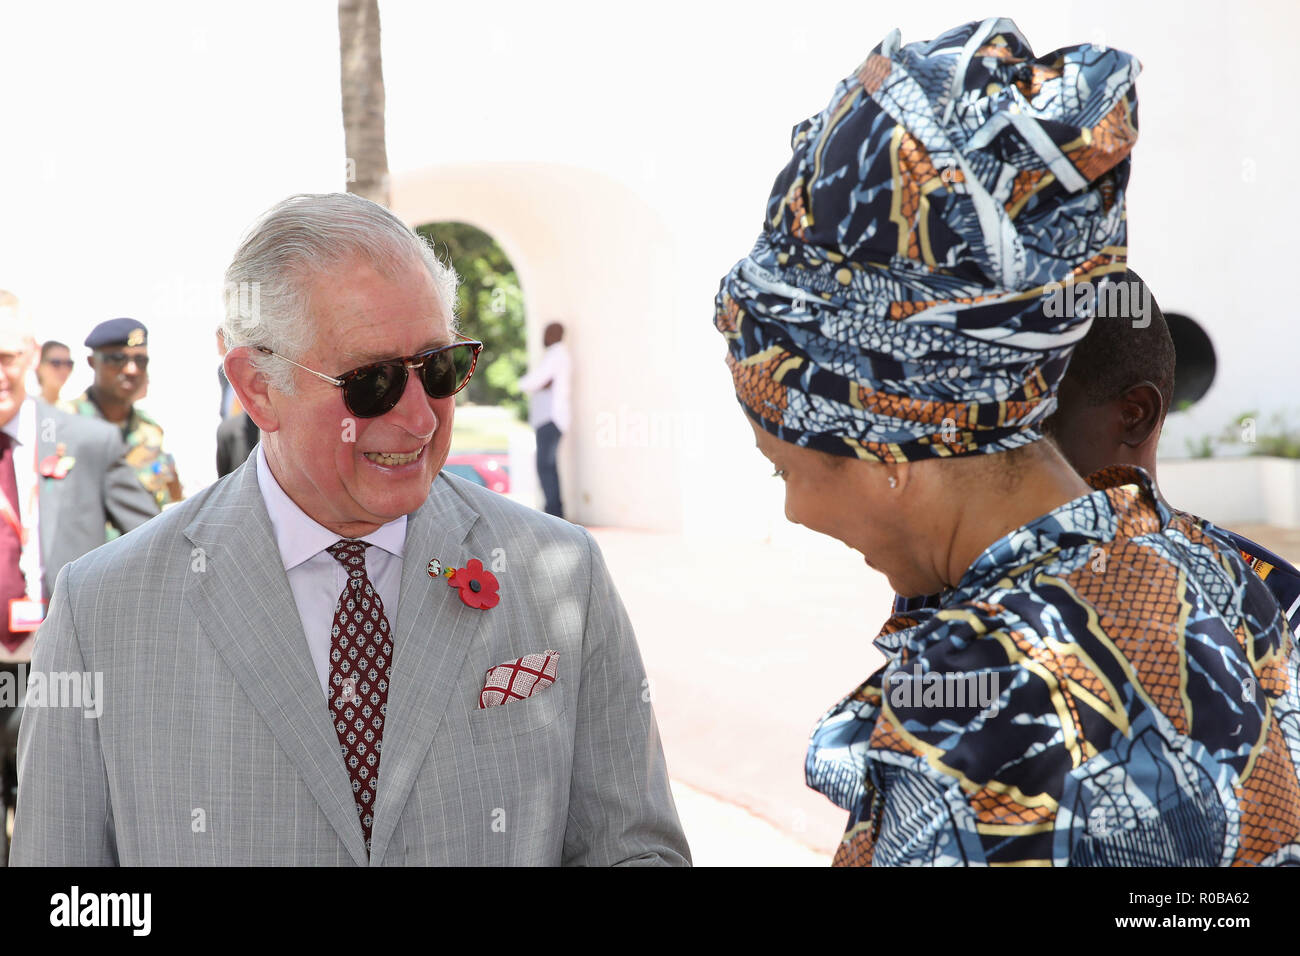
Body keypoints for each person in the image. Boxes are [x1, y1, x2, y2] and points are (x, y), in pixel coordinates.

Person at [715, 18, 1300, 866]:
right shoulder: (1235, 579)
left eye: (783, 470)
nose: (794, 513)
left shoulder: (980, 714)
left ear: (886, 452)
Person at [11, 192, 689, 866]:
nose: (420, 418)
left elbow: (633, 851)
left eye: (440, 368)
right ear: (258, 387)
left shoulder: (564, 572)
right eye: (373, 382)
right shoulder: (103, 612)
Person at [1041, 271, 1300, 633]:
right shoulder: (967, 587)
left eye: (1036, 416)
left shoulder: (1274, 605)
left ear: (1135, 415)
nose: (998, 445)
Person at [0, 291, 158, 863]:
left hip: (57, 669)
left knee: (57, 827)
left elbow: (154, 545)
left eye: (6, 357)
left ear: (31, 354)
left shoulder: (85, 441)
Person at [62, 318, 183, 514]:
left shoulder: (150, 432)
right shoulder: (64, 422)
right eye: (117, 359)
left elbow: (170, 504)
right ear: (92, 362)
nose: (131, 370)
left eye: (140, 360)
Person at [518, 322, 570, 518]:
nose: (544, 337)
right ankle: (555, 511)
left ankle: (554, 513)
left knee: (545, 466)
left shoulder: (557, 355)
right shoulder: (556, 355)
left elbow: (535, 381)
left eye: (548, 333)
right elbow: (541, 382)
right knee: (548, 466)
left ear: (556, 335)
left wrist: (524, 383)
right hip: (548, 419)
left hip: (551, 418)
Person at [33, 341, 72, 406]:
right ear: (39, 366)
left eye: (69, 364)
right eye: (56, 363)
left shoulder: (75, 409)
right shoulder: (28, 407)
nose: (64, 369)